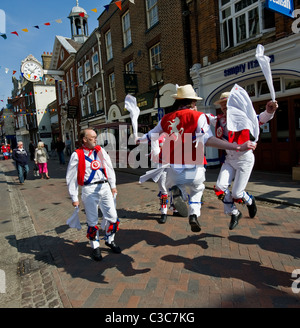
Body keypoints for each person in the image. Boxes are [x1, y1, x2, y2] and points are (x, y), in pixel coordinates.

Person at [136, 84, 256, 233]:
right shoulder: (198, 116)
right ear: (192, 102)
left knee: (177, 184)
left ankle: (178, 192)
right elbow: (209, 139)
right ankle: (193, 215)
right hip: (195, 163)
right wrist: (236, 147)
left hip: (174, 165)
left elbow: (151, 135)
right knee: (197, 189)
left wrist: (139, 139)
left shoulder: (166, 118)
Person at [208, 90, 278, 230]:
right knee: (219, 189)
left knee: (236, 193)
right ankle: (234, 212)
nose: (224, 107)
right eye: (222, 105)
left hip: (244, 160)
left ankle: (249, 200)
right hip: (229, 159)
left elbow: (261, 118)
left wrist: (269, 111)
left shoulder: (245, 118)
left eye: (227, 104)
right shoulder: (219, 120)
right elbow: (202, 117)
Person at [66, 128, 121, 261]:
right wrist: (74, 197)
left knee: (112, 216)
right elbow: (71, 177)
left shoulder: (100, 150)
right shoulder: (76, 154)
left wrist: (112, 185)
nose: (96, 139)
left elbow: (109, 168)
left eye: (96, 137)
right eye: (93, 137)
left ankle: (109, 239)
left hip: (104, 187)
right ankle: (95, 246)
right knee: (92, 220)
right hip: (89, 189)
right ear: (84, 139)